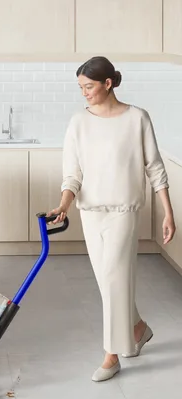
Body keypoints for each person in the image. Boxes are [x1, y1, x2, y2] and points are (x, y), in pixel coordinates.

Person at [48, 56, 176, 382]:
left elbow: (155, 168)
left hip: (124, 212)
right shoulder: (79, 122)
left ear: (107, 83)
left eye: (88, 86)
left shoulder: (137, 118)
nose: (84, 93)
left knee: (114, 277)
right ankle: (138, 328)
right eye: (80, 88)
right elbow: (72, 175)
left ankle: (111, 355)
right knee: (108, 283)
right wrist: (63, 205)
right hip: (90, 214)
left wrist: (168, 212)